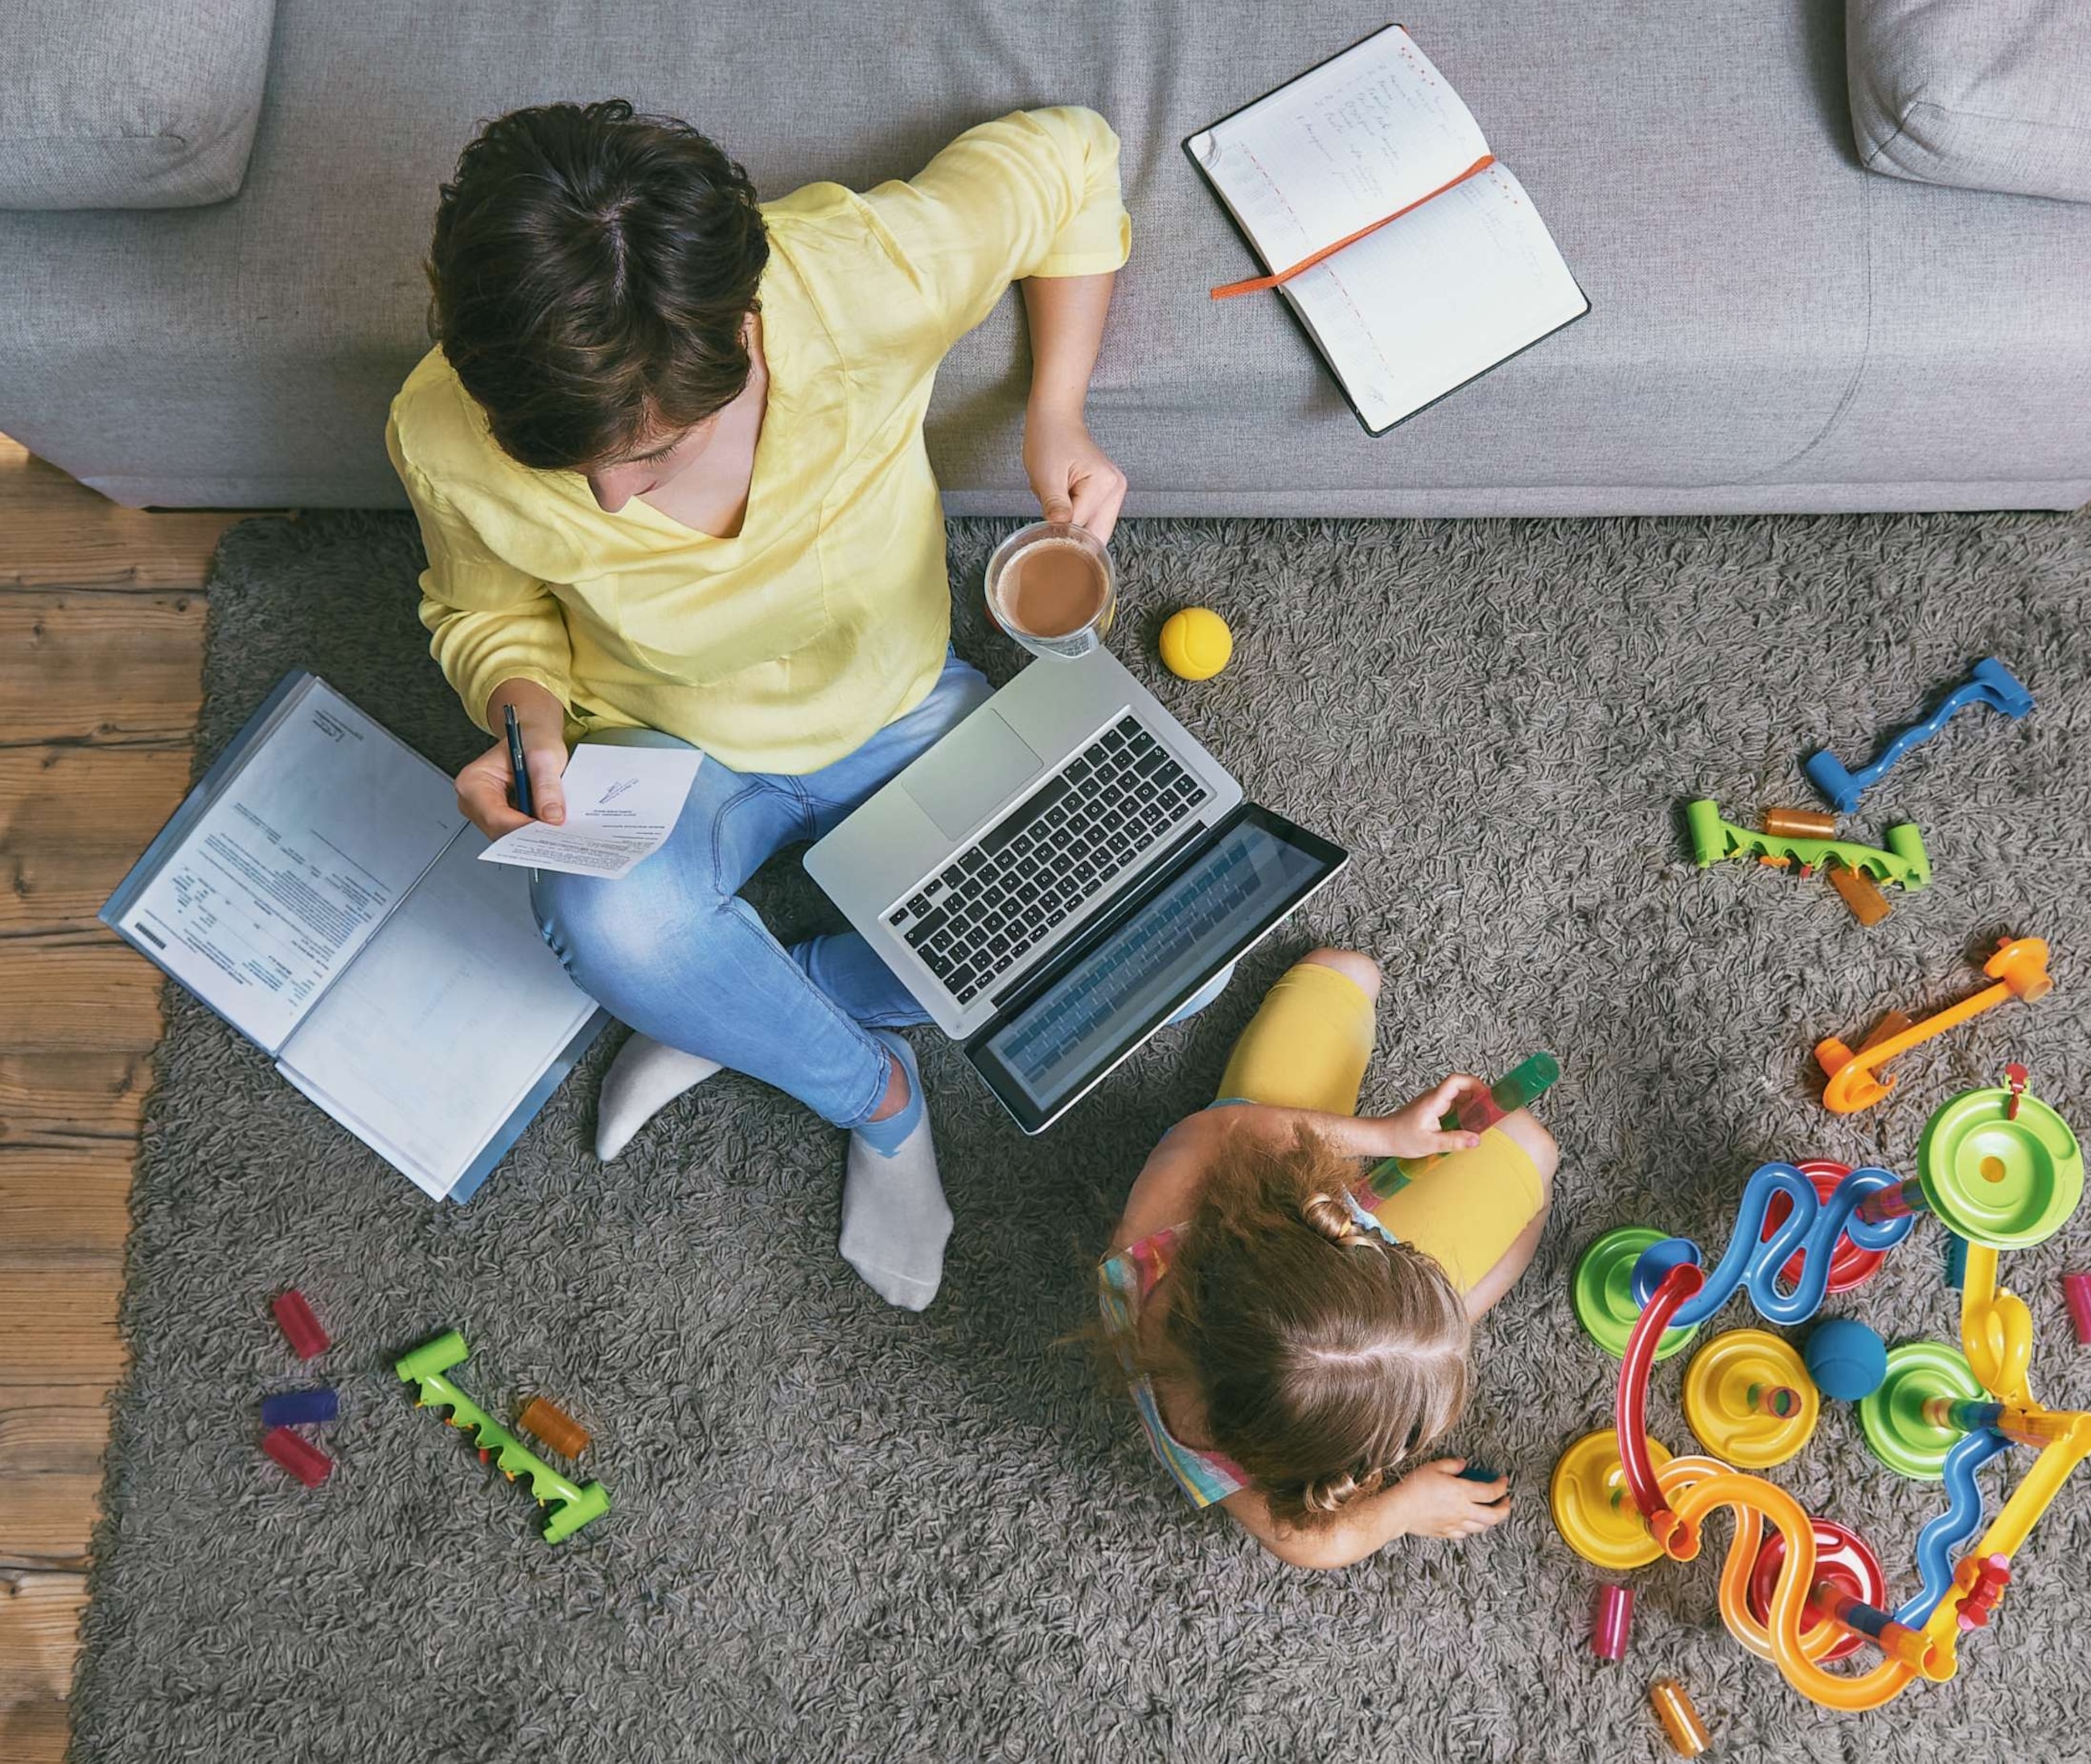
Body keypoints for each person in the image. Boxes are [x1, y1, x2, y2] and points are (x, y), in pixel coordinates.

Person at [387, 99, 1132, 1310]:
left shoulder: (861, 280)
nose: (615, 505)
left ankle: (748, 1003)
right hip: (667, 742)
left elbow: (1072, 156)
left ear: (745, 331)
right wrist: (525, 722)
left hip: (900, 701)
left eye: (655, 454)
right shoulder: (438, 425)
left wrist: (1060, 409)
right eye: (571, 469)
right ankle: (873, 1094)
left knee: (1140, 915)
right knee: (609, 921)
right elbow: (487, 613)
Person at [1099, 950, 1559, 1568]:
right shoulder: (1240, 1467)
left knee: (1348, 970)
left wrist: (1386, 1135)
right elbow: (1321, 1545)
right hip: (1285, 1207)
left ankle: (1443, 1314)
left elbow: (1232, 1129)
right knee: (1531, 1150)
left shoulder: (1159, 1217)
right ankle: (1460, 1307)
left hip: (1257, 1160)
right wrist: (1405, 1507)